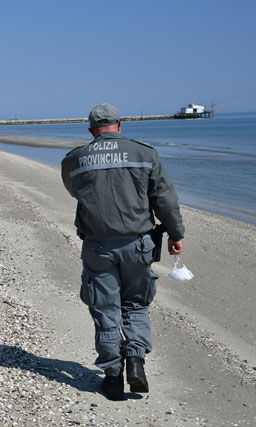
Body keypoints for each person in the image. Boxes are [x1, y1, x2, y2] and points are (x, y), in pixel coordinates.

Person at [61, 103, 184, 401]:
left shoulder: (76, 158)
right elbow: (164, 198)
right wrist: (176, 234)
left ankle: (113, 376)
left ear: (91, 130)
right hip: (139, 245)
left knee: (105, 309)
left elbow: (74, 189)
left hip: (98, 246)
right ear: (120, 125)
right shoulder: (145, 153)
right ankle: (136, 364)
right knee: (136, 305)